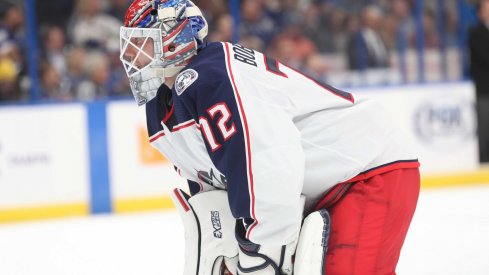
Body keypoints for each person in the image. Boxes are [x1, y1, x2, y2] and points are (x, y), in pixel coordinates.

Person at [119, 0, 420, 274]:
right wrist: (233, 255)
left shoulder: (211, 77)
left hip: (368, 169)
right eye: (129, 43)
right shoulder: (165, 104)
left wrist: (260, 257)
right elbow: (216, 192)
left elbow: (267, 165)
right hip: (325, 183)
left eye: (141, 42)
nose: (130, 53)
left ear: (175, 39)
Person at [469, 0, 489, 163]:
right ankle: (484, 160)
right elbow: (484, 56)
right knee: (484, 127)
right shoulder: (475, 33)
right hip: (484, 89)